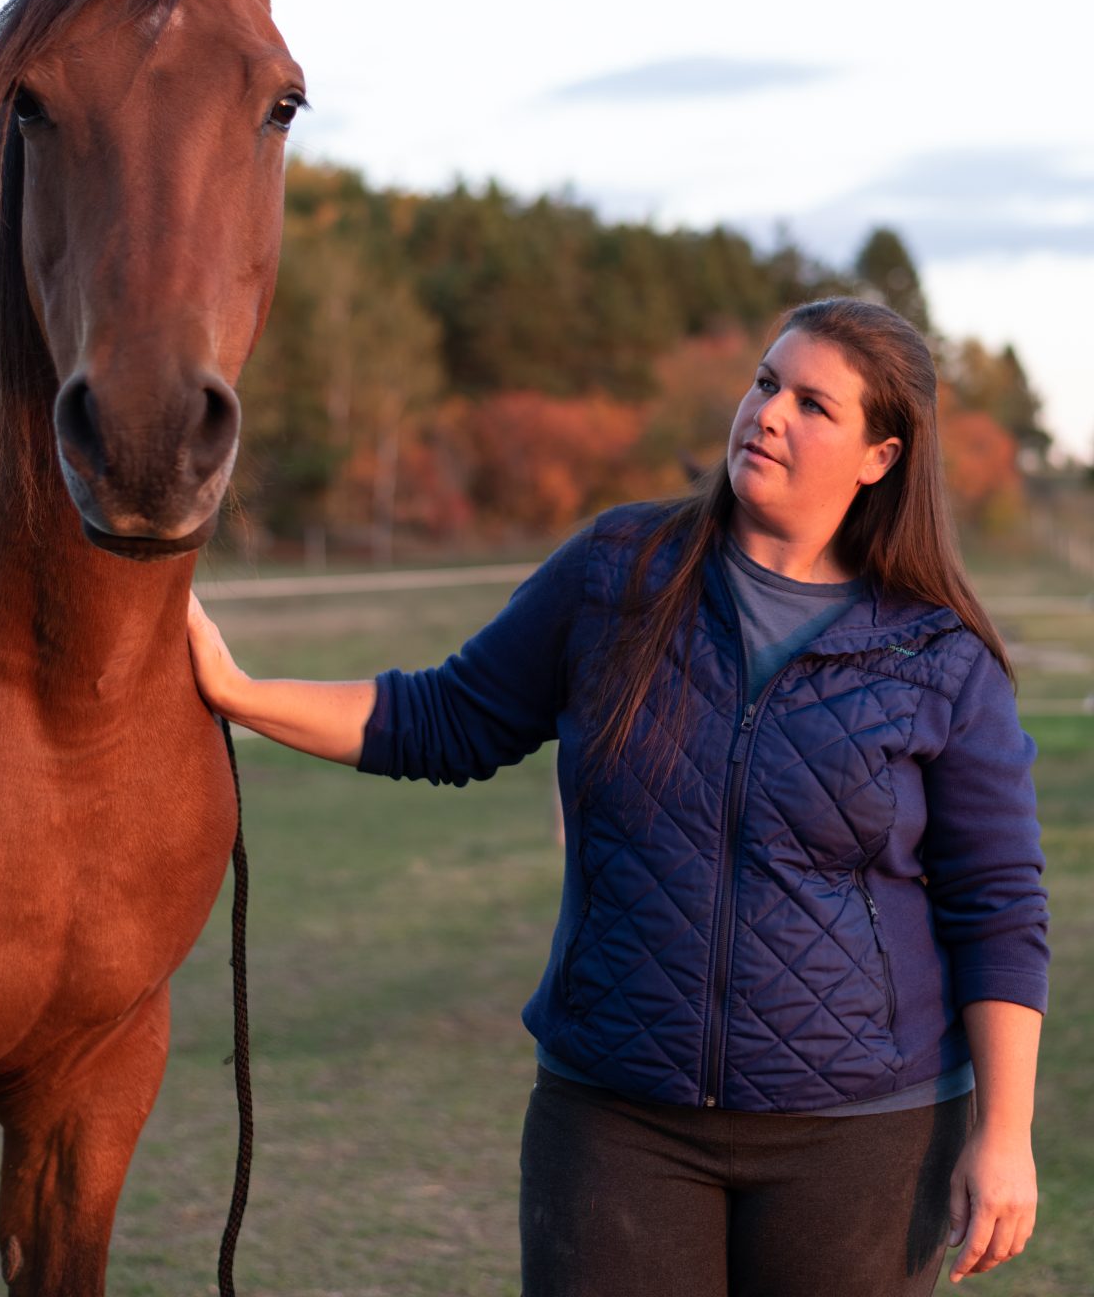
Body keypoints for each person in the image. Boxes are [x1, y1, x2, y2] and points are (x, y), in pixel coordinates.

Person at [186, 297, 1049, 1296]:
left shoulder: (937, 657)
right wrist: (241, 695)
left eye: (814, 404)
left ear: (880, 457)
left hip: (861, 1142)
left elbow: (999, 905)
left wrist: (1007, 1137)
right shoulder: (618, 572)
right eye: (766, 384)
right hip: (616, 1127)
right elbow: (447, 717)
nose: (767, 414)